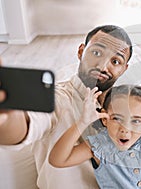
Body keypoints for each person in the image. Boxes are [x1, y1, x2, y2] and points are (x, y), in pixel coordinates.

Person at [0, 25, 133, 189]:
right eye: (97, 53)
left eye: (115, 61)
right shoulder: (58, 98)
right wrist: (5, 118)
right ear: (80, 51)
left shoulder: (128, 107)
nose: (103, 67)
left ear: (124, 69)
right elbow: (26, 125)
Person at [49, 85, 141, 188]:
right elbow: (57, 160)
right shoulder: (99, 146)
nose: (125, 129)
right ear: (105, 120)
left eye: (136, 121)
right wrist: (82, 122)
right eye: (117, 119)